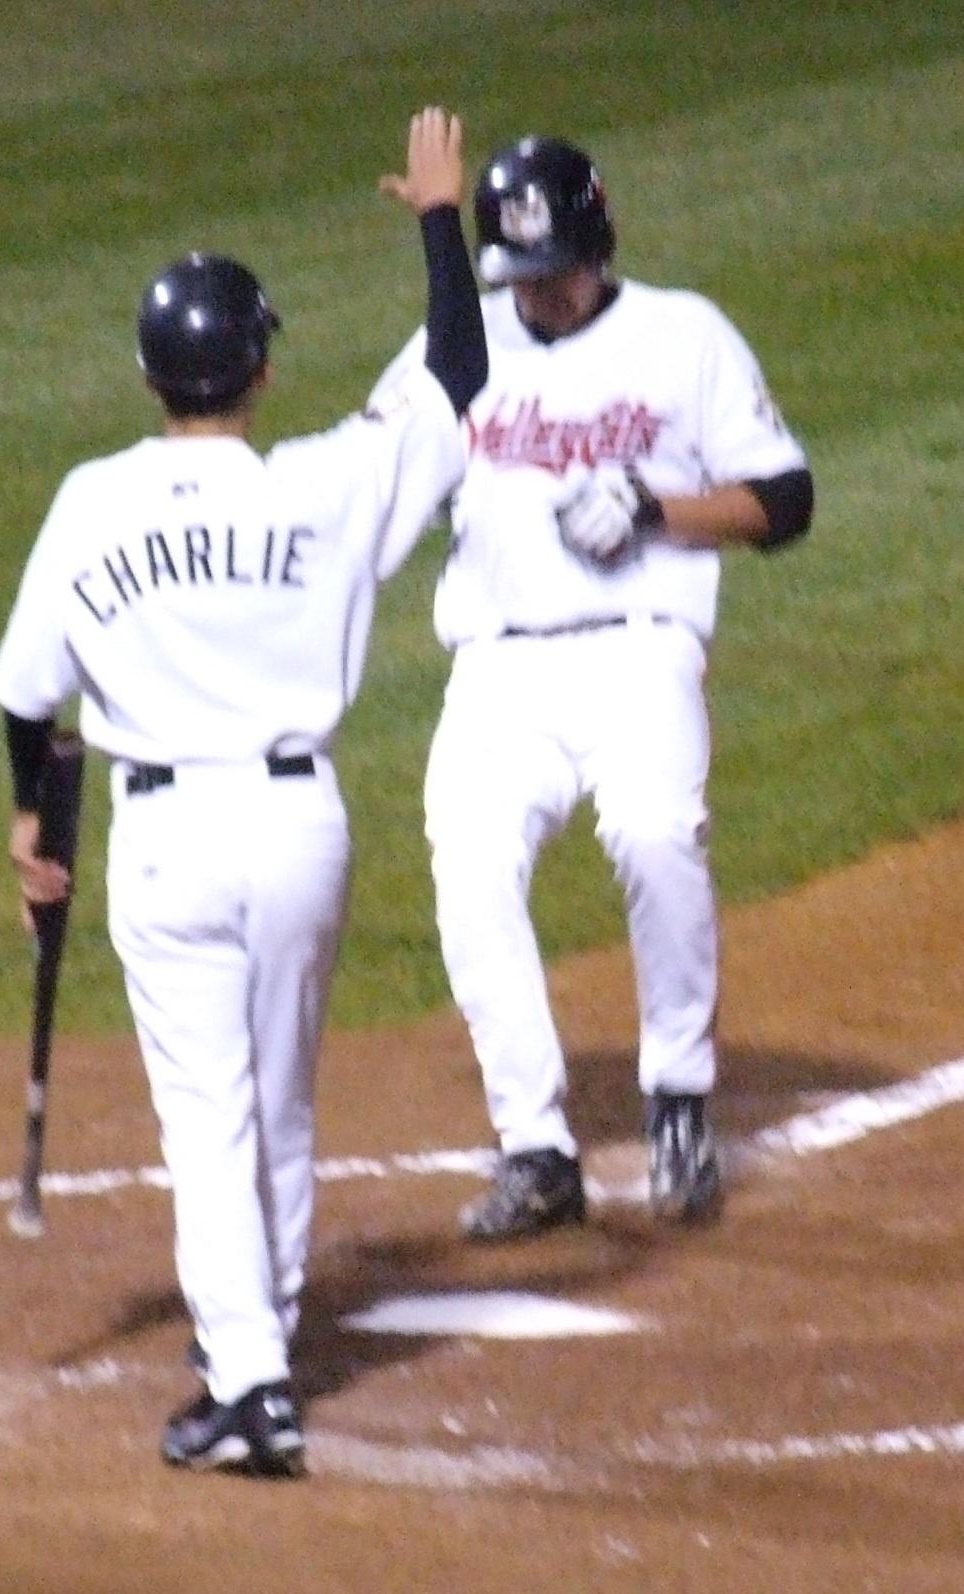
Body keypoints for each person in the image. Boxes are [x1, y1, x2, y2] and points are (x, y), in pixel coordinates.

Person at [0, 107, 487, 1477]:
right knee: (281, 1103)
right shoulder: (324, 486)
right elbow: (457, 373)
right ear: (259, 369)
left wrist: (32, 819)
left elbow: (28, 693)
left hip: (166, 841)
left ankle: (250, 1380)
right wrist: (438, 219)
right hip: (296, 827)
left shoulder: (91, 500)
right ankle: (253, 1348)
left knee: (207, 1116)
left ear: (151, 375)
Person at [372, 134, 814, 1242]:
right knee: (469, 868)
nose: (543, 292)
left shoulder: (683, 334)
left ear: (599, 239)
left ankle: (678, 1098)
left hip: (638, 650)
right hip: (498, 667)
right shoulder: (455, 347)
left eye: (558, 269)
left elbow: (784, 499)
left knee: (655, 836)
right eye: (523, 275)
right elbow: (372, 480)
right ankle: (534, 1148)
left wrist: (659, 510)